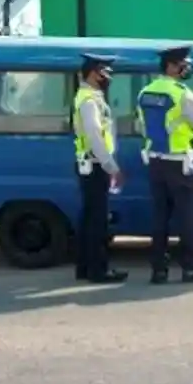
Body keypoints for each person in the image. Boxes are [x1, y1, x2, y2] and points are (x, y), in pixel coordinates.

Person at [137, 45, 193, 285]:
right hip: (180, 164)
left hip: (156, 161)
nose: (186, 68)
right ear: (171, 66)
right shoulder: (181, 94)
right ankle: (191, 268)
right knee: (188, 217)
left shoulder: (145, 92)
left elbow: (142, 126)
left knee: (160, 216)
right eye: (183, 64)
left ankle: (159, 270)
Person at [73, 53, 128, 284]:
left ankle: (85, 267)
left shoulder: (91, 96)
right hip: (95, 165)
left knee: (89, 218)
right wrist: (111, 166)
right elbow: (95, 136)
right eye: (104, 72)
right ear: (93, 73)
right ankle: (98, 270)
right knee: (97, 221)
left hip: (92, 164)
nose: (108, 77)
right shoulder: (88, 100)